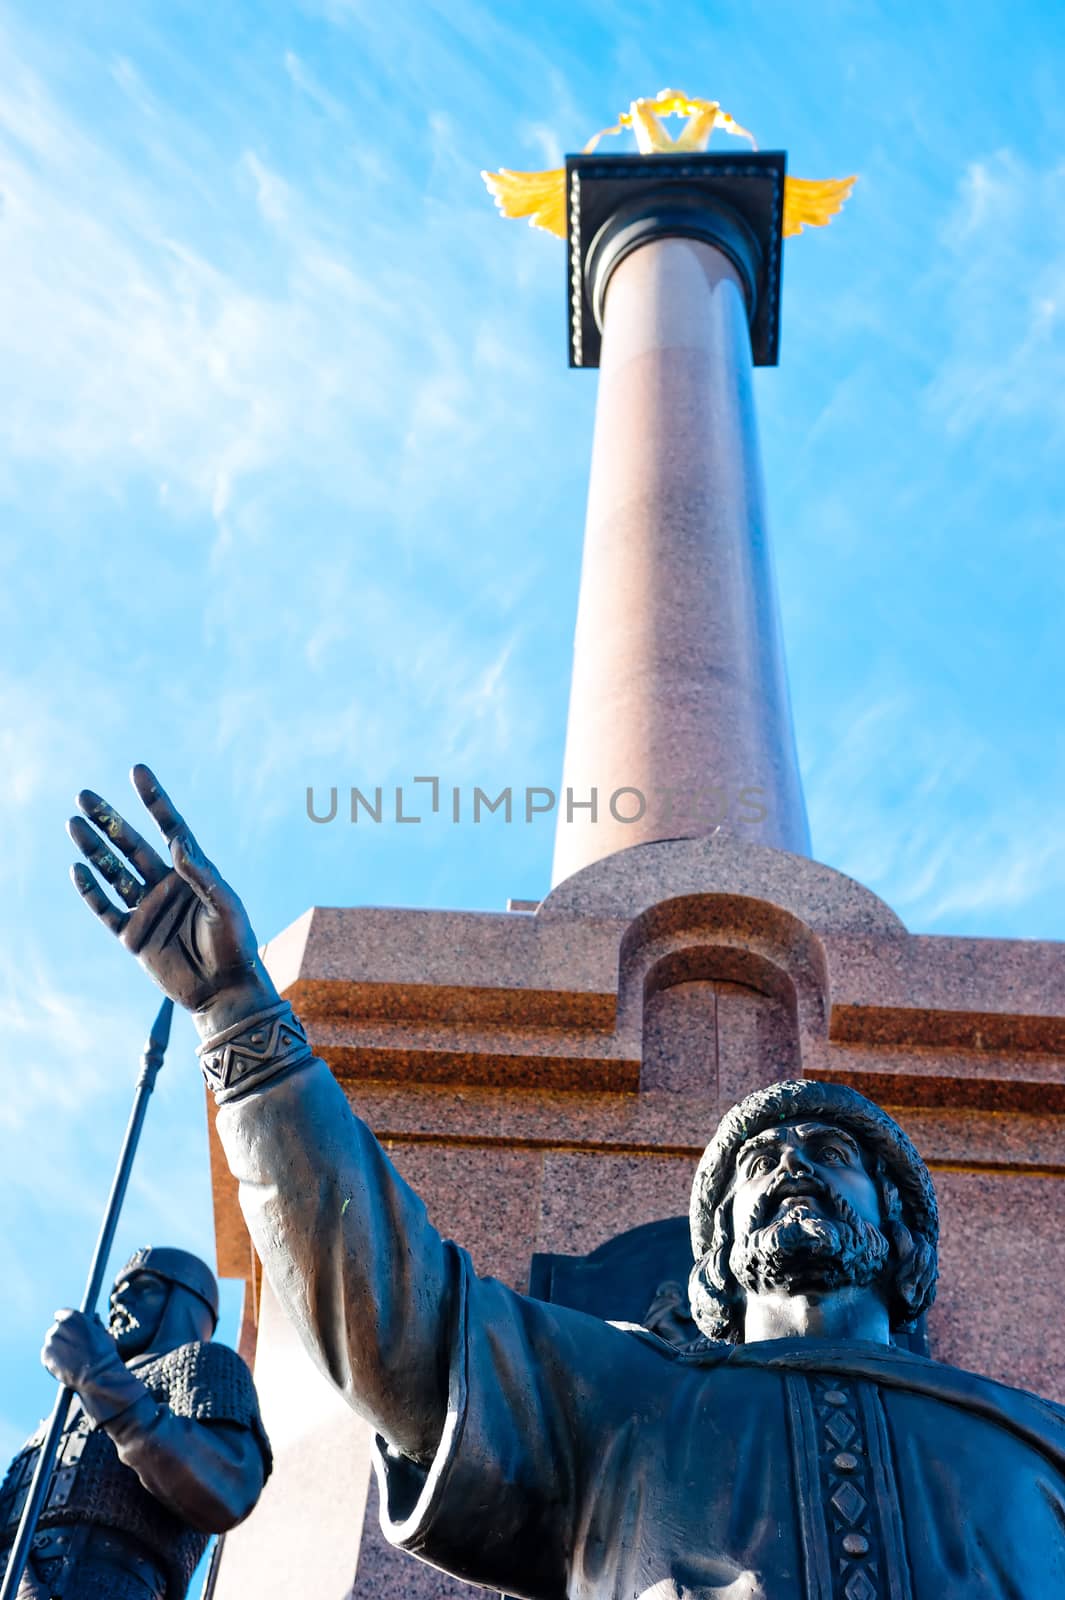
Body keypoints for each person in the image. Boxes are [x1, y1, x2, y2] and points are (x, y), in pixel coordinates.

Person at [64, 766, 1065, 1600]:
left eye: (831, 1154)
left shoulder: (1036, 1451)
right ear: (710, 1257)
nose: (791, 1165)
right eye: (756, 1163)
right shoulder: (619, 1396)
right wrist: (241, 1020)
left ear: (901, 1232)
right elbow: (395, 1311)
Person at [0, 1247, 271, 1600]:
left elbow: (227, 1488)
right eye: (115, 1293)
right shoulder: (61, 1413)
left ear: (185, 1303)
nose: (121, 1300)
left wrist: (97, 1374)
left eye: (144, 1287)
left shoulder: (201, 1362)